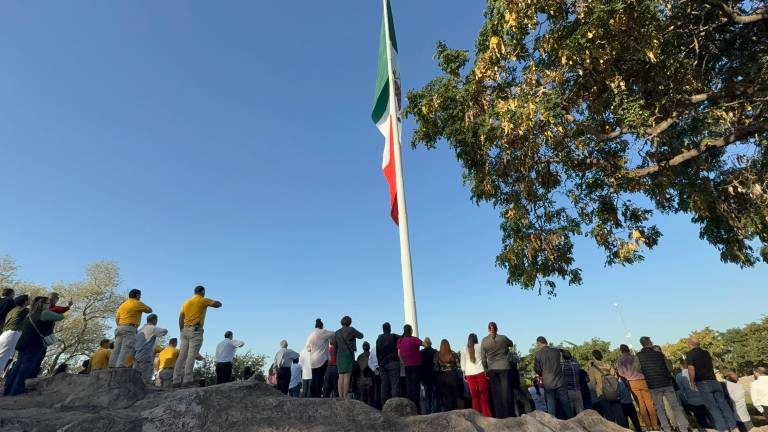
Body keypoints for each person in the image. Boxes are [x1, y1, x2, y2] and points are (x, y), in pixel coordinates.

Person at [3, 296, 65, 396]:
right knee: (26, 367)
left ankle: (8, 390)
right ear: (44, 304)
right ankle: (16, 390)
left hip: (23, 342)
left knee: (18, 366)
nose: (49, 305)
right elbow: (61, 317)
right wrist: (53, 309)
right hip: (34, 343)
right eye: (48, 303)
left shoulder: (30, 314)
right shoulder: (45, 313)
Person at [636, 336, 689, 432]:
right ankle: (684, 428)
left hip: (653, 385)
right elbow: (669, 367)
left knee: (660, 408)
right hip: (666, 383)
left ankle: (667, 429)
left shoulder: (638, 356)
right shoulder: (659, 354)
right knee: (675, 406)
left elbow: (637, 369)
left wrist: (647, 372)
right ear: (649, 343)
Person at [173, 285, 222, 387]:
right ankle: (187, 380)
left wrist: (181, 330)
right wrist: (215, 302)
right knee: (192, 355)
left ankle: (176, 380)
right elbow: (218, 304)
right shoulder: (202, 300)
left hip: (185, 330)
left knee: (181, 356)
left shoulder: (186, 302)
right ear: (202, 291)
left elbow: (181, 317)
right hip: (195, 331)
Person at [686, 337, 737, 432]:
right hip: (714, 381)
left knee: (712, 407)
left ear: (690, 344)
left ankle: (723, 428)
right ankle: (733, 426)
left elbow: (691, 369)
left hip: (703, 383)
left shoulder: (690, 354)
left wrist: (692, 382)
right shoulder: (706, 352)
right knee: (723, 404)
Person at [616, 344, 659, 430]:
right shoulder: (635, 357)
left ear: (621, 351)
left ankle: (648, 426)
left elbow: (621, 375)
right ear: (628, 349)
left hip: (632, 383)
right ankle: (655, 425)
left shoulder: (619, 361)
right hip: (642, 380)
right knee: (649, 403)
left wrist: (627, 385)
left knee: (641, 404)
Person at [108, 289, 152, 368]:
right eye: (140, 295)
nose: (140, 297)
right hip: (130, 328)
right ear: (137, 295)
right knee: (126, 347)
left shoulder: (123, 305)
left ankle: (111, 365)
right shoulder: (137, 303)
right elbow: (149, 310)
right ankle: (120, 365)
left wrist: (120, 325)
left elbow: (117, 318)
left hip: (120, 327)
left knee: (117, 348)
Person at [481, 322, 514, 418]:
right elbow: (511, 344)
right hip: (504, 367)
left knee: (496, 395)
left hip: (492, 369)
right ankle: (509, 415)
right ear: (497, 329)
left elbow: (483, 358)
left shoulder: (484, 341)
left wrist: (486, 369)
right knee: (506, 393)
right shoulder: (503, 338)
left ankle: (500, 416)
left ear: (488, 329)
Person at [534, 337, 573, 419]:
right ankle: (572, 420)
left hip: (548, 382)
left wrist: (543, 374)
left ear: (539, 343)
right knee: (566, 403)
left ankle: (553, 424)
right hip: (560, 380)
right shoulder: (556, 351)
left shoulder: (538, 354)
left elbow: (537, 369)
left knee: (551, 405)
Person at [588, 350, 625, 427]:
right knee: (620, 414)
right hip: (614, 392)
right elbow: (615, 377)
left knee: (609, 416)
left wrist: (598, 390)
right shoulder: (608, 365)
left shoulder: (592, 369)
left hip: (602, 393)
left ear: (593, 357)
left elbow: (592, 384)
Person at [676, 359, 711, 429]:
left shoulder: (679, 376)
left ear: (681, 366)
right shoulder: (696, 372)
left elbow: (682, 392)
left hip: (693, 402)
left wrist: (686, 403)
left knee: (702, 421)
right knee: (712, 417)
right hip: (704, 398)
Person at [461, 333, 491, 417]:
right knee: (483, 395)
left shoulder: (464, 348)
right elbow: (486, 358)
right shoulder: (480, 346)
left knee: (474, 396)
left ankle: (476, 416)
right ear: (476, 339)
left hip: (469, 374)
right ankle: (487, 416)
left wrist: (464, 374)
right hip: (480, 371)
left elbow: (462, 363)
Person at [334, 316, 363, 399]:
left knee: (340, 377)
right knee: (347, 376)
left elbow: (334, 345)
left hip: (339, 355)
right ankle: (345, 396)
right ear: (349, 322)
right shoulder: (351, 329)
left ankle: (340, 396)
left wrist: (336, 356)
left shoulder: (337, 332)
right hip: (348, 355)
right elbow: (361, 336)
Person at [305, 318, 335, 398]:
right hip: (321, 359)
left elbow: (307, 347)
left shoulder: (310, 335)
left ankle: (312, 395)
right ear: (321, 326)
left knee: (314, 377)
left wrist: (311, 350)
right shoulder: (323, 332)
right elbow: (333, 333)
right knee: (320, 377)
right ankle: (317, 395)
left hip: (312, 360)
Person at [134, 314, 167, 383]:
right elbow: (163, 332)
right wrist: (165, 330)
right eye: (156, 320)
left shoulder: (140, 329)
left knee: (135, 376)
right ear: (153, 320)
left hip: (137, 355)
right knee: (146, 377)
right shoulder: (152, 328)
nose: (157, 322)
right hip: (145, 355)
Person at [0, 294, 29, 372]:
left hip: (5, 333)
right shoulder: (24, 310)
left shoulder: (12, 310)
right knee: (3, 357)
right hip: (13, 334)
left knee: (2, 355)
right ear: (25, 301)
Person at [396, 324, 422, 410]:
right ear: (411, 331)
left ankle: (410, 407)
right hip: (415, 365)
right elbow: (425, 344)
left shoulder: (400, 341)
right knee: (416, 387)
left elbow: (399, 353)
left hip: (406, 366)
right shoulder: (414, 339)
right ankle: (416, 407)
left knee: (409, 387)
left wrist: (403, 362)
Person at [376, 322, 401, 405]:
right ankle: (395, 405)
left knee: (384, 385)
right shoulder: (393, 336)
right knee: (395, 384)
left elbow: (377, 352)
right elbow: (403, 337)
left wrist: (380, 364)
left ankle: (384, 404)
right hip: (393, 362)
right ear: (390, 328)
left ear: (383, 329)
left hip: (382, 365)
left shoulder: (379, 339)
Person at [432, 339, 460, 411]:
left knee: (445, 397)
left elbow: (435, 364)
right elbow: (458, 365)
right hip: (453, 376)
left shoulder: (437, 354)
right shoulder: (453, 353)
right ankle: (455, 410)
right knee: (454, 396)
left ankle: (447, 411)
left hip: (442, 377)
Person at [561, 349, 584, 415]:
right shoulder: (576, 364)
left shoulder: (561, 365)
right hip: (577, 390)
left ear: (563, 357)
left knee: (570, 413)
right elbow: (574, 359)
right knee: (580, 412)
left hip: (567, 391)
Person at [420, 337, 438, 414]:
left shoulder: (421, 353)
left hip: (425, 375)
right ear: (431, 343)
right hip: (434, 374)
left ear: (424, 344)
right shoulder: (435, 352)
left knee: (427, 394)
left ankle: (428, 410)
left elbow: (420, 365)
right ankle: (436, 409)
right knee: (435, 393)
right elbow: (436, 363)